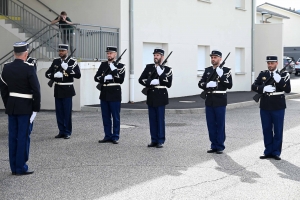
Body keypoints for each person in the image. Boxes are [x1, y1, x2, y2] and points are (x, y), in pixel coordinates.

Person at [0, 41, 41, 175]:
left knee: (13, 137)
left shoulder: (6, 67)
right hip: (26, 107)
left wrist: (8, 105)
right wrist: (35, 109)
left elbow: (4, 90)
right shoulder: (29, 67)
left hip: (12, 106)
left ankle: (13, 167)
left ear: (14, 53)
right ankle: (21, 167)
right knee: (23, 136)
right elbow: (36, 90)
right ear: (26, 54)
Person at [252, 55, 291, 160]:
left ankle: (276, 152)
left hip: (278, 106)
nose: (270, 65)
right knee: (266, 129)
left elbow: (287, 89)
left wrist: (280, 81)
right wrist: (263, 88)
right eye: (268, 63)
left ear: (277, 63)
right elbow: (253, 86)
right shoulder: (263, 74)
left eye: (272, 63)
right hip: (265, 105)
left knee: (278, 130)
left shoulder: (284, 74)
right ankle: (268, 151)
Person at [198, 50, 232, 154]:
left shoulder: (226, 70)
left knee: (220, 124)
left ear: (220, 59)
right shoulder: (207, 70)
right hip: (209, 100)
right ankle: (213, 145)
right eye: (212, 57)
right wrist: (207, 85)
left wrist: (221, 76)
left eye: (215, 57)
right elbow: (200, 83)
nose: (213, 59)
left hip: (220, 100)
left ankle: (220, 146)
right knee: (211, 124)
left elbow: (229, 85)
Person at [138, 48, 173, 148]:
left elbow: (168, 83)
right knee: (152, 119)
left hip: (161, 95)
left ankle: (160, 140)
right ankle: (154, 139)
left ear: (162, 57)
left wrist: (161, 74)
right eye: (154, 55)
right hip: (151, 95)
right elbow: (141, 79)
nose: (155, 57)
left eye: (157, 55)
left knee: (160, 119)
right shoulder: (149, 67)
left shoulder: (167, 69)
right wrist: (150, 82)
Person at [45, 44, 81, 139]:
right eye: (60, 51)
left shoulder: (72, 62)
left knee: (67, 112)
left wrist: (67, 69)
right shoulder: (56, 61)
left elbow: (78, 75)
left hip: (67, 89)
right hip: (58, 89)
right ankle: (61, 131)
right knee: (59, 112)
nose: (61, 52)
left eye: (63, 51)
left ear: (67, 51)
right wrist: (54, 76)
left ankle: (67, 131)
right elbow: (47, 73)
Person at [94, 46, 125, 144]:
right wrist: (105, 78)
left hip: (114, 92)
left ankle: (115, 136)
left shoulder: (120, 66)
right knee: (105, 116)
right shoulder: (103, 65)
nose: (109, 55)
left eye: (111, 53)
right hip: (104, 92)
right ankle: (107, 135)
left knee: (115, 116)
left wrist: (114, 71)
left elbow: (120, 80)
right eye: (108, 53)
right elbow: (96, 77)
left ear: (115, 54)